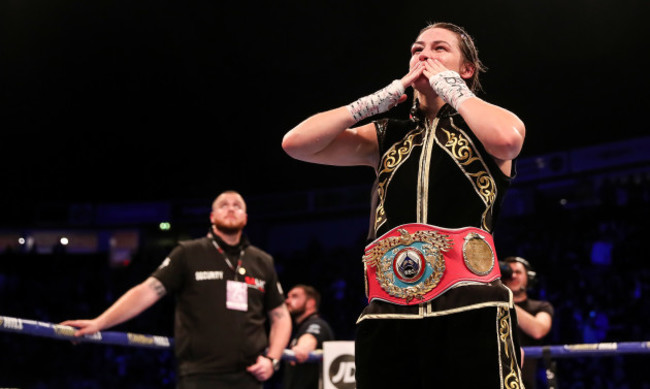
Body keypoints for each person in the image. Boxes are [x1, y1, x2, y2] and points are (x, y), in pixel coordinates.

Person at [282, 22, 526, 388]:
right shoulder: (385, 135)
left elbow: (507, 140)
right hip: (388, 313)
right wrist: (374, 102)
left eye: (439, 48)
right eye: (417, 49)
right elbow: (296, 143)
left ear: (467, 69)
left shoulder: (485, 124)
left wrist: (457, 93)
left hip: (471, 306)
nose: (424, 55)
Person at [61, 190, 292, 389]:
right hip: (199, 376)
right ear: (212, 217)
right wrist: (99, 323)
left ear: (246, 218)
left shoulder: (262, 261)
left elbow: (281, 317)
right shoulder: (188, 253)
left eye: (237, 206)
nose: (230, 209)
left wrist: (272, 359)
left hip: (250, 377)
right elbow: (146, 291)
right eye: (223, 205)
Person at [502, 256, 554, 389]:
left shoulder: (541, 307)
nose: (513, 276)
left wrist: (505, 300)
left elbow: (538, 330)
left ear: (529, 278)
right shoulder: (494, 306)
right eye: (509, 273)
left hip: (529, 382)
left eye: (518, 272)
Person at [283, 284, 335, 389]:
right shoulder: (300, 328)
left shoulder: (317, 324)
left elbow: (309, 339)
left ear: (310, 303)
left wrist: (302, 348)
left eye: (294, 296)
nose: (287, 301)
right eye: (288, 297)